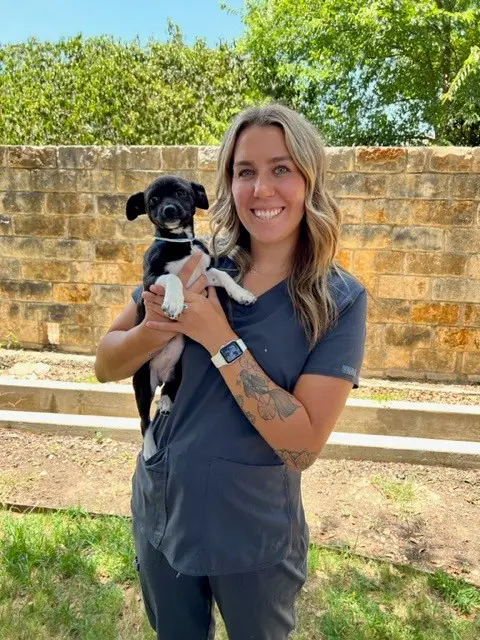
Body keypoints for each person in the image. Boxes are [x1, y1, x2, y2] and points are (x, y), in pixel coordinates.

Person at [94, 103, 367, 639]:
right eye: (246, 172)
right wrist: (156, 328)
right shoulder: (196, 262)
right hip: (162, 511)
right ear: (228, 182)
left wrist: (217, 335)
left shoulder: (338, 299)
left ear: (310, 178)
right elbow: (106, 361)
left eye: (281, 168)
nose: (262, 189)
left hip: (252, 535)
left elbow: (303, 446)